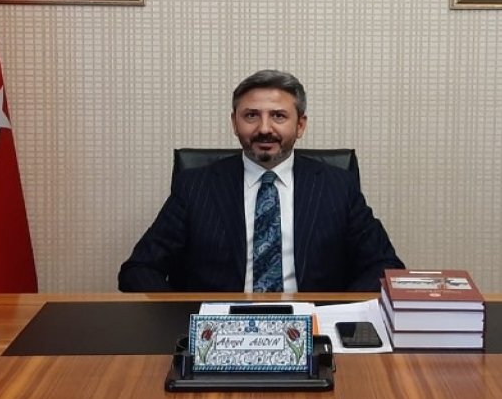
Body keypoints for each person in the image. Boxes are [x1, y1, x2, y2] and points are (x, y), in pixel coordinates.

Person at [119, 70, 405, 292]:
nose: (264, 128)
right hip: (219, 333)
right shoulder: (195, 187)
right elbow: (139, 269)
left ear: (300, 125)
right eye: (251, 116)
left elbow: (384, 266)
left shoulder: (338, 187)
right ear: (235, 123)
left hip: (312, 328)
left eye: (278, 116)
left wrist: (339, 315)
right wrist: (185, 321)